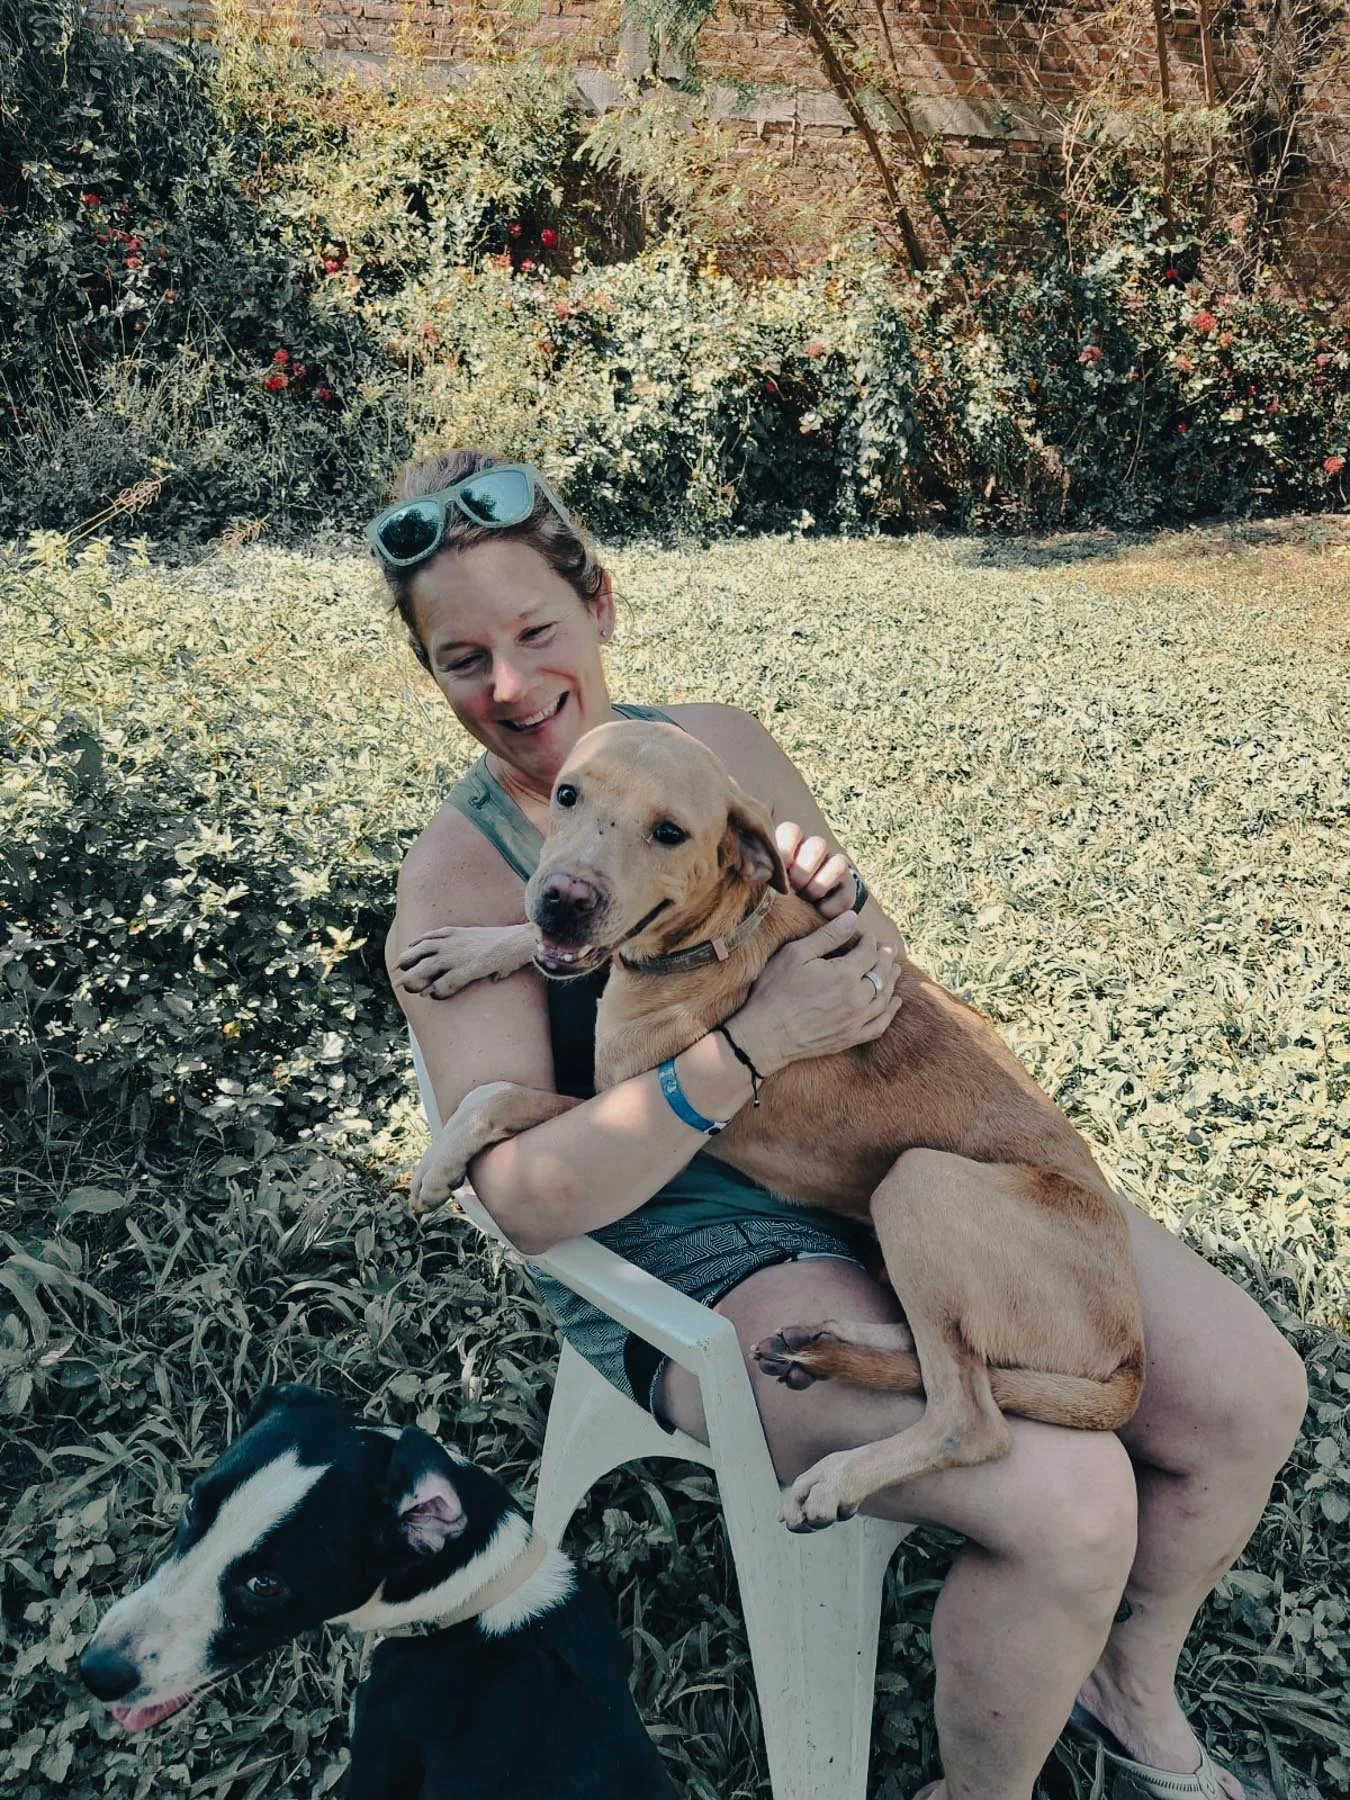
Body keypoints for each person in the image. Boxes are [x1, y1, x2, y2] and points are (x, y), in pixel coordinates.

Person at [376, 450, 1306, 1800]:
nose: (510, 687)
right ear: (430, 673)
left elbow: (856, 969)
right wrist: (745, 1047)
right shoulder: (452, 870)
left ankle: (1127, 1675)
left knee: (1245, 1392)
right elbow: (527, 1203)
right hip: (692, 1245)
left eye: (534, 633)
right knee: (1070, 1507)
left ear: (599, 607)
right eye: (462, 657)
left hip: (884, 1155)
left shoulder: (722, 753)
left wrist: (840, 917)